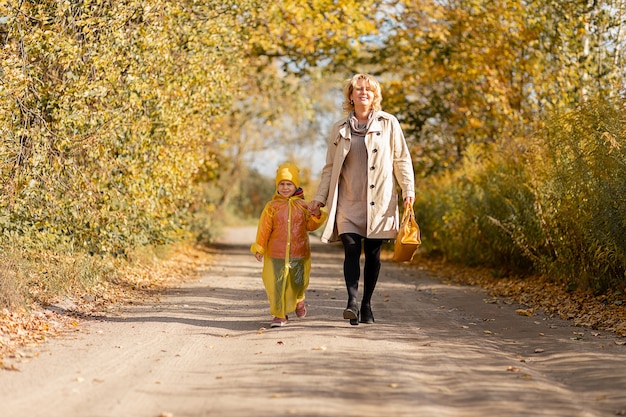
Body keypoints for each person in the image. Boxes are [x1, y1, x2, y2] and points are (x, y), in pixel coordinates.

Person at [308, 73, 415, 325]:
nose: (363, 93)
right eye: (358, 89)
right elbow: (329, 167)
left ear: (374, 95)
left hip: (380, 200)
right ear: (351, 95)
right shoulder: (339, 128)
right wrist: (320, 198)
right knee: (351, 250)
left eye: (368, 89)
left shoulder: (389, 123)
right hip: (348, 201)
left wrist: (408, 189)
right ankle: (352, 302)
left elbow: (401, 159)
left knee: (374, 254)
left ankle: (367, 304)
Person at [251, 163, 328, 328]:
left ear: (296, 185)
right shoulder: (272, 207)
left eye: (289, 184)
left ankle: (299, 300)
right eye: (282, 184)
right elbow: (264, 228)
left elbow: (311, 226)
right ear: (277, 186)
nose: (285, 187)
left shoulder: (303, 206)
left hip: (299, 252)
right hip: (276, 253)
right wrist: (260, 248)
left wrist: (316, 215)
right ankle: (279, 315)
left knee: (298, 282)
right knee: (277, 284)